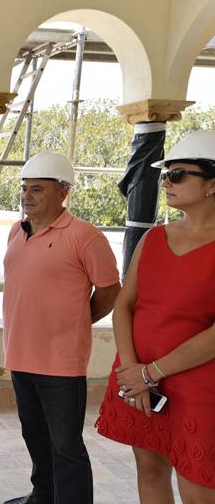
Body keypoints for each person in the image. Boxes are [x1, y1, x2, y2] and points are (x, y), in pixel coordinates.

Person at [97, 131, 215, 503]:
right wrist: (133, 370)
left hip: (197, 385)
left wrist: (151, 372)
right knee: (149, 470)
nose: (166, 182)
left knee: (198, 488)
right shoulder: (153, 238)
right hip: (138, 378)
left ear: (212, 184)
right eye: (165, 175)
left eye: (178, 175)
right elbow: (124, 305)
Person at [2, 152, 120, 504]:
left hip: (60, 362)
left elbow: (110, 291)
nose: (27, 196)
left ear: (63, 192)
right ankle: (43, 496)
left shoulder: (85, 235)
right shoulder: (16, 231)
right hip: (19, 355)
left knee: (66, 447)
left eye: (38, 189)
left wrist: (78, 321)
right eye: (25, 188)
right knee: (34, 435)